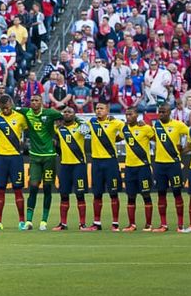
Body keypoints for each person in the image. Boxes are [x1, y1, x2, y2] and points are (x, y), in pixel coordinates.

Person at [14, 93, 62, 230]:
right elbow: (10, 107)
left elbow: (65, 116)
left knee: (47, 188)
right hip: (34, 157)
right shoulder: (26, 112)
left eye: (37, 100)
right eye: (32, 100)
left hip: (49, 157)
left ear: (41, 102)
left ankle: (43, 221)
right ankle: (29, 221)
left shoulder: (50, 113)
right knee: (33, 187)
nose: (34, 102)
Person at [0, 95, 28, 231]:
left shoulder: (20, 117)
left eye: (7, 107)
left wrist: (23, 143)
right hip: (1, 157)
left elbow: (29, 129)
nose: (5, 110)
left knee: (18, 189)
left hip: (16, 157)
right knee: (0, 189)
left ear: (11, 104)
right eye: (2, 107)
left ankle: (22, 221)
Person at [151, 102, 189, 232]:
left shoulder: (178, 125)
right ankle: (163, 224)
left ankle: (180, 224)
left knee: (177, 193)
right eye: (159, 112)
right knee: (161, 194)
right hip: (159, 164)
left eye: (163, 112)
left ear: (169, 113)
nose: (161, 114)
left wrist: (185, 148)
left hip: (173, 164)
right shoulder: (155, 126)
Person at [87, 99, 124, 231]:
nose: (98, 110)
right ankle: (96, 223)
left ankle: (115, 223)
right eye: (97, 108)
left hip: (110, 162)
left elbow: (126, 131)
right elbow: (79, 130)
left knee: (113, 193)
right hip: (96, 162)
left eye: (101, 108)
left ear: (107, 110)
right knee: (97, 194)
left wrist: (116, 139)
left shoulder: (115, 122)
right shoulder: (91, 122)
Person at [53, 105, 89, 231]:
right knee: (63, 195)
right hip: (65, 165)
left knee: (80, 195)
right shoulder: (58, 129)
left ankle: (82, 224)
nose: (67, 114)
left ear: (74, 114)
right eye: (65, 112)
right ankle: (63, 223)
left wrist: (78, 119)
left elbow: (87, 128)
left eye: (70, 112)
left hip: (79, 165)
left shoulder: (81, 127)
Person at [120, 105, 156, 232]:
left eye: (131, 114)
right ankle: (132, 224)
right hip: (129, 168)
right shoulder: (124, 129)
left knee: (146, 194)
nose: (128, 117)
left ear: (137, 115)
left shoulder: (145, 128)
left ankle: (148, 224)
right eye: (127, 115)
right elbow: (115, 137)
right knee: (131, 196)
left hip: (143, 167)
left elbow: (157, 139)